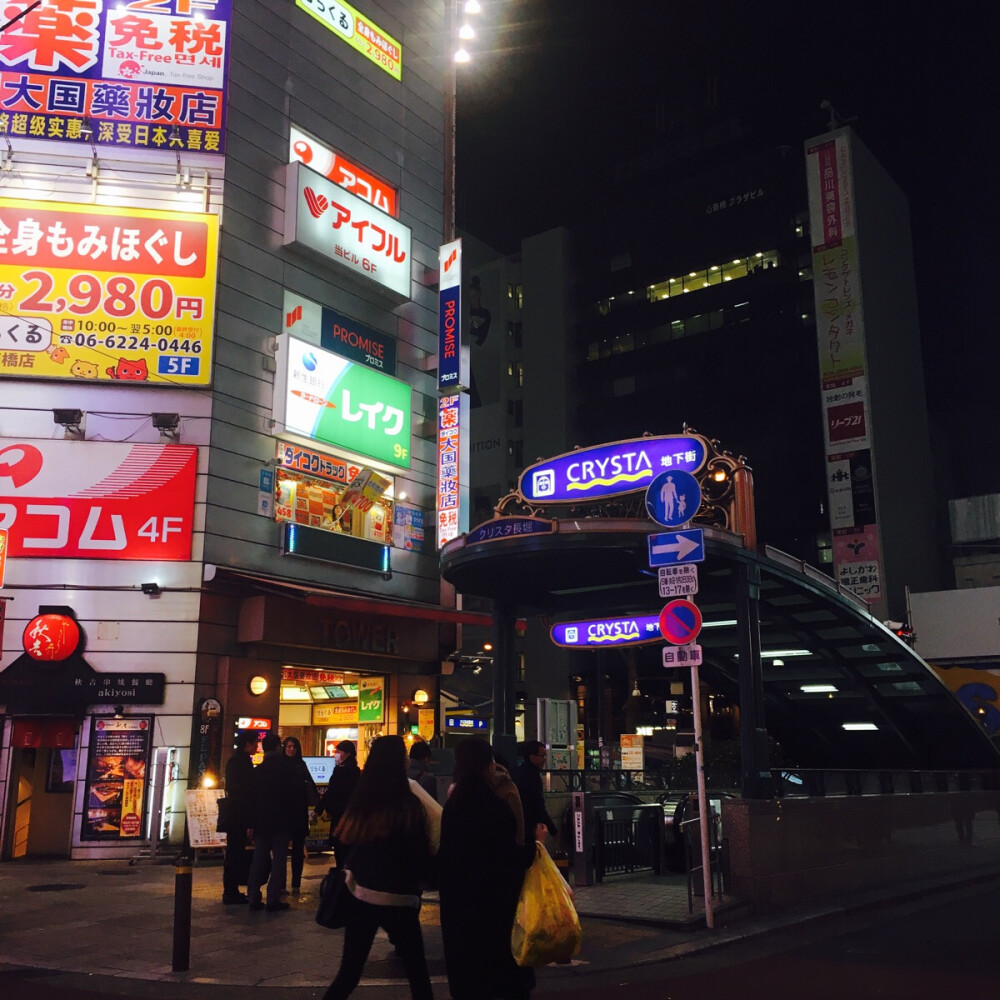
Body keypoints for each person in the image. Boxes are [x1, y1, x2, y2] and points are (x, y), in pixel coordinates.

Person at [321, 734, 434, 1000]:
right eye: (403, 754)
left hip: (362, 895)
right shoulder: (409, 804)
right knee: (417, 974)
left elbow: (347, 842)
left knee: (348, 974)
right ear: (398, 761)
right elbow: (419, 854)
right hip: (400, 899)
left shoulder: (362, 800)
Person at [439, 737, 535, 1000]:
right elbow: (513, 857)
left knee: (468, 981)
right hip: (494, 909)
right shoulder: (495, 806)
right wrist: (534, 847)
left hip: (458, 909)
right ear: (487, 764)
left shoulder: (453, 805)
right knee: (499, 977)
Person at [247, 732, 300, 912]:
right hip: (281, 823)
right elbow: (293, 797)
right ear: (278, 747)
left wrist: (251, 823)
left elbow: (252, 800)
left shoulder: (258, 771)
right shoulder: (287, 769)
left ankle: (253, 896)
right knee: (278, 861)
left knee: (259, 859)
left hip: (262, 823)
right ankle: (272, 898)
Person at [220, 731, 257, 904]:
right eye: (255, 743)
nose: (257, 746)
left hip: (237, 813)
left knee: (235, 851)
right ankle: (230, 891)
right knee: (235, 852)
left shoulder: (238, 760)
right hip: (238, 814)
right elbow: (244, 790)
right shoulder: (240, 762)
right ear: (247, 744)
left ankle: (231, 889)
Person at [283, 735, 320, 893]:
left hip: (298, 812)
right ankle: (281, 884)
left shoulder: (301, 764)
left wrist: (316, 807)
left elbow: (310, 785)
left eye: (294, 747)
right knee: (281, 851)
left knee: (298, 850)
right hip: (283, 813)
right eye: (288, 746)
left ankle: (296, 883)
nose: (291, 749)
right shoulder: (280, 765)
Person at [514, 740, 557, 845]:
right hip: (529, 827)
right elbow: (538, 805)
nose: (545, 760)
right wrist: (553, 829)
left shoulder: (517, 772)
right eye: (542, 756)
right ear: (532, 757)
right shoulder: (532, 776)